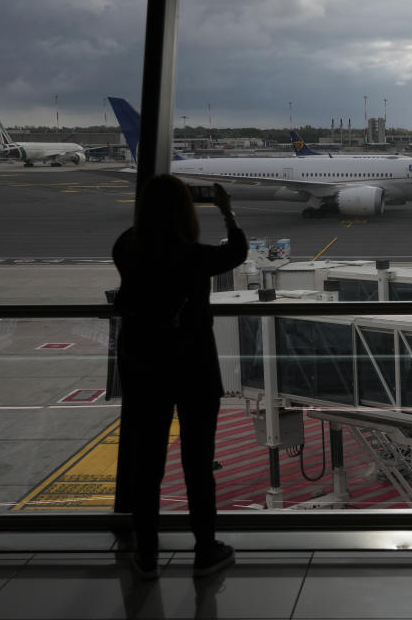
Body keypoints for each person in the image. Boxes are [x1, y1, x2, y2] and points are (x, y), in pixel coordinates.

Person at [114, 175, 247, 580]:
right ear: (185, 212)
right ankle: (205, 549)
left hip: (143, 366)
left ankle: (147, 556)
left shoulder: (126, 249)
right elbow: (237, 251)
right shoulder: (194, 257)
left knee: (146, 463)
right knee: (197, 463)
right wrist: (226, 210)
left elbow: (137, 239)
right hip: (193, 368)